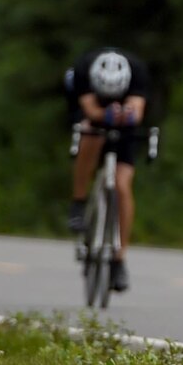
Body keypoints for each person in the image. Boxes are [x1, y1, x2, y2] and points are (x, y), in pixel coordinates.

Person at [64, 47, 151, 293]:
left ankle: (119, 258)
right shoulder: (83, 70)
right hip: (94, 116)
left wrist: (126, 116)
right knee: (90, 137)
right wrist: (104, 114)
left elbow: (138, 110)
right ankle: (79, 201)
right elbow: (90, 110)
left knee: (123, 185)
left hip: (125, 123)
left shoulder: (137, 73)